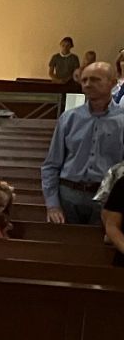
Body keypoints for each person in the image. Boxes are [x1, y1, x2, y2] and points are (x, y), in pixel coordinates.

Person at [41, 62, 124, 224]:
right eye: (84, 80)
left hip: (108, 199)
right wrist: (52, 205)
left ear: (112, 83)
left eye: (95, 79)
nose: (87, 84)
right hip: (68, 196)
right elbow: (51, 165)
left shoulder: (122, 120)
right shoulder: (69, 118)